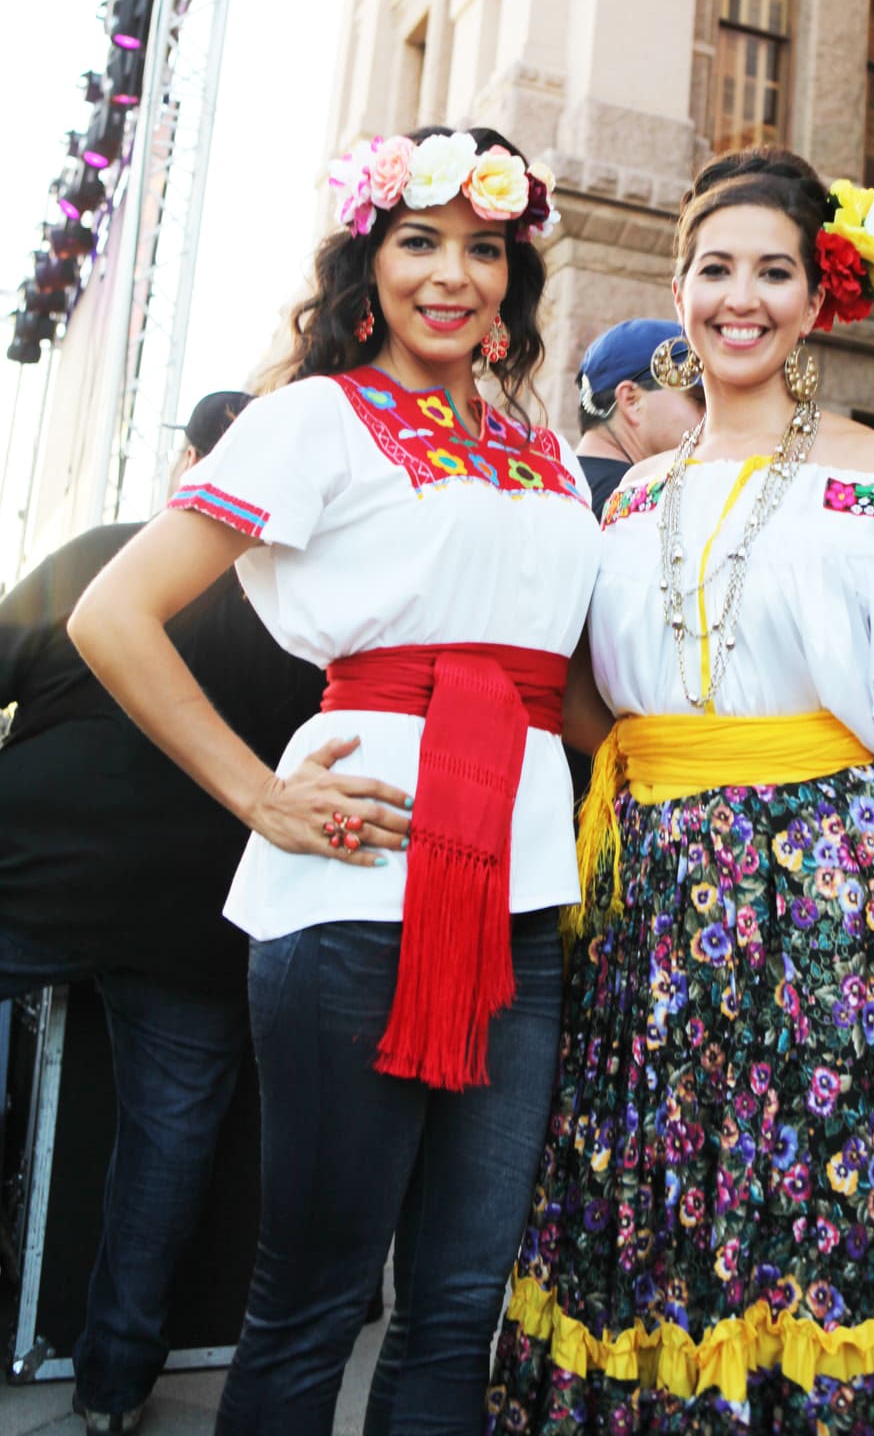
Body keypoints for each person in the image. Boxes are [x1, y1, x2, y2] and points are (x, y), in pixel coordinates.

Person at [69, 126, 604, 1436]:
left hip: (526, 901)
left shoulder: (535, 447)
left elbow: (574, 687)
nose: (453, 274)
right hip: (352, 893)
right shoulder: (308, 418)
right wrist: (258, 795)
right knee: (311, 1298)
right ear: (368, 261)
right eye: (420, 241)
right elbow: (113, 616)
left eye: (485, 250)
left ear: (512, 281)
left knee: (461, 1298)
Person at [488, 150, 874, 1435]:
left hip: (821, 909)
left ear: (816, 296)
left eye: (772, 271)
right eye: (714, 270)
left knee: (823, 1235)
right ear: (680, 288)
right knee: (651, 1225)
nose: (740, 298)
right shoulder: (627, 498)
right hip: (646, 916)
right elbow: (584, 697)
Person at [0, 390, 324, 1436]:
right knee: (170, 1139)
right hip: (196, 909)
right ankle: (112, 1385)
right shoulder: (310, 608)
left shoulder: (105, 546)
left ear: (191, 462)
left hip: (28, 864)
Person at [575, 319, 704, 516]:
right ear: (631, 401)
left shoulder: (548, 485)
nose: (711, 414)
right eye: (699, 400)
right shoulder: (644, 505)